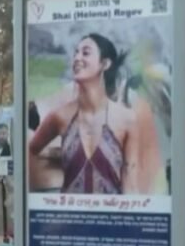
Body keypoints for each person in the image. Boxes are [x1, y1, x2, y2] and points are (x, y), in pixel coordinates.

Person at [27, 33, 143, 195]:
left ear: (105, 64)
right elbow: (31, 149)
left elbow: (130, 180)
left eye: (85, 53)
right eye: (76, 53)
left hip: (111, 210)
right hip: (68, 210)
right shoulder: (60, 116)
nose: (77, 58)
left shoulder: (126, 119)